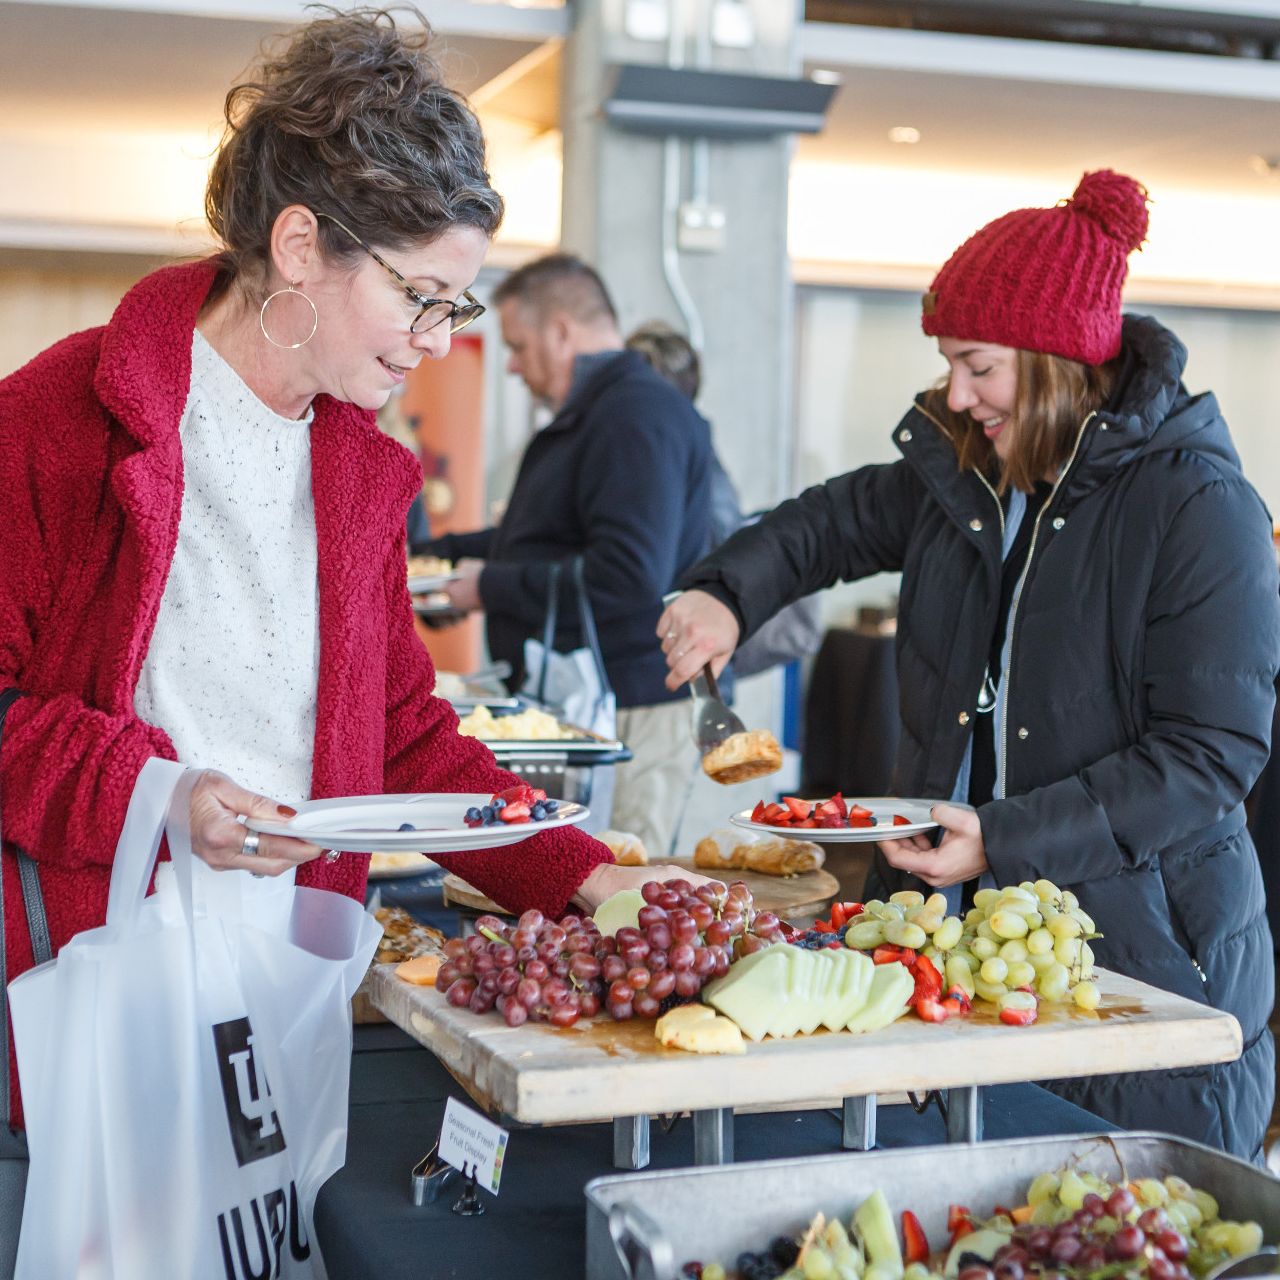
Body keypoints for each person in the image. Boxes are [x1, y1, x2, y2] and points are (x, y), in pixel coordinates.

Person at [0, 7, 694, 1141]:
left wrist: (581, 874)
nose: (436, 337)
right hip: (91, 984)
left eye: (454, 306)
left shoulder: (361, 471)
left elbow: (406, 732)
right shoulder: (57, 419)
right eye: (419, 293)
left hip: (283, 983)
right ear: (298, 246)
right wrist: (164, 796)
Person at [658, 170, 1280, 1159]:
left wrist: (1003, 835)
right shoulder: (965, 480)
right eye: (949, 362)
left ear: (1052, 360)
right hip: (975, 960)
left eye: (975, 364)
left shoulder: (1197, 506)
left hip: (1154, 969)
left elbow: (1208, 757)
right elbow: (825, 523)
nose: (953, 392)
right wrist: (722, 592)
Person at [429, 256, 716, 856]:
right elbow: (541, 539)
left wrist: (490, 588)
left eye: (518, 344)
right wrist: (437, 559)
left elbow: (627, 576)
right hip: (593, 706)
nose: (511, 364)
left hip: (632, 710)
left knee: (623, 891)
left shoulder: (636, 416)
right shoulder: (601, 414)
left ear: (562, 332)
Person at [626, 320, 823, 679]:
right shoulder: (679, 447)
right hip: (667, 658)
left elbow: (726, 543)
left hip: (677, 664)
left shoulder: (676, 450)